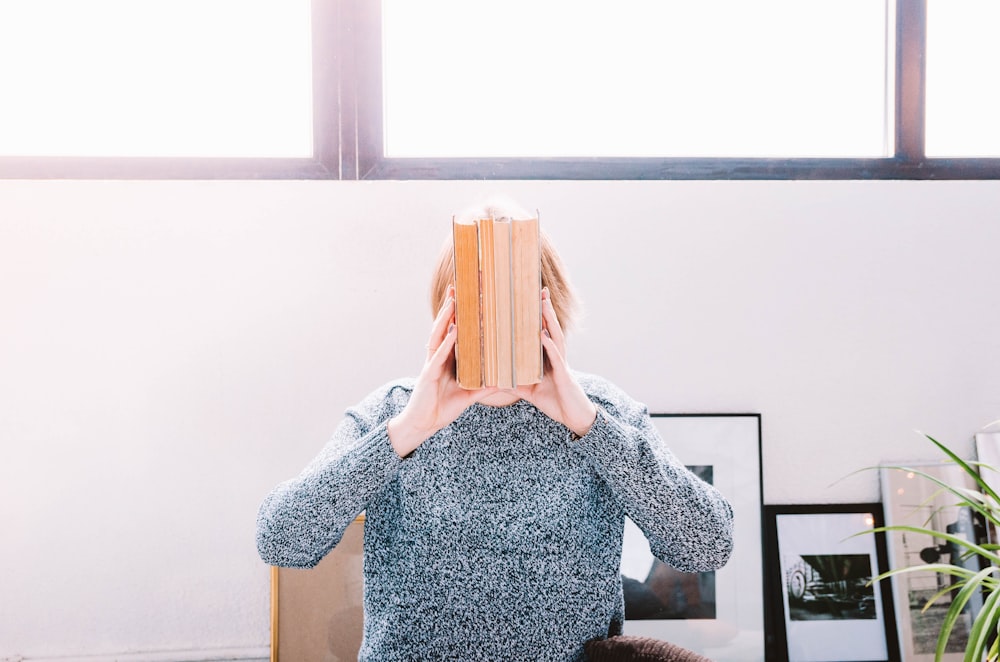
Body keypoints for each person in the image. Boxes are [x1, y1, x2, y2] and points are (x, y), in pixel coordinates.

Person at [255, 199, 734, 662]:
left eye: (512, 303)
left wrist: (590, 425)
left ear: (549, 307)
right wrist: (406, 431)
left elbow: (707, 543)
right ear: (447, 311)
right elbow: (282, 541)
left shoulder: (600, 411)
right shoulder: (393, 411)